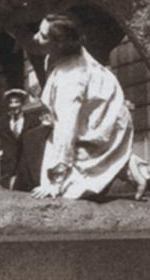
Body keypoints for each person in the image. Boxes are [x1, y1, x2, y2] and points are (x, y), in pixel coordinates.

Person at [30, 14, 134, 201]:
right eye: (39, 31)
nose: (35, 38)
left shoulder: (70, 77)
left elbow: (66, 127)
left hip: (100, 129)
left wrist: (56, 181)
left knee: (68, 192)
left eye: (43, 36)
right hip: (93, 119)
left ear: (60, 44)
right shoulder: (59, 56)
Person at [0, 88, 38, 188]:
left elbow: (39, 140)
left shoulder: (32, 121)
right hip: (8, 167)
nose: (13, 106)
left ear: (22, 104)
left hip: (27, 166)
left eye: (17, 102)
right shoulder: (2, 122)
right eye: (11, 103)